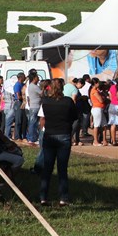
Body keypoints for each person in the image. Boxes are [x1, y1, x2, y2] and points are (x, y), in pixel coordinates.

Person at [39, 78, 79, 206]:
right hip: (63, 134)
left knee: (47, 167)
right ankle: (63, 198)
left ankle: (43, 197)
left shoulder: (45, 101)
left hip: (49, 134)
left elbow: (43, 118)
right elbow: (74, 117)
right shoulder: (68, 101)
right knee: (62, 169)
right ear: (62, 88)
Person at [26, 73, 43, 145]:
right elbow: (42, 94)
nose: (38, 78)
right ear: (34, 78)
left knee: (32, 123)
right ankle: (32, 138)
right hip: (35, 106)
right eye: (37, 77)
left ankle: (31, 138)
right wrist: (44, 87)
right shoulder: (35, 86)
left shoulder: (30, 86)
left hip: (33, 106)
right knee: (33, 123)